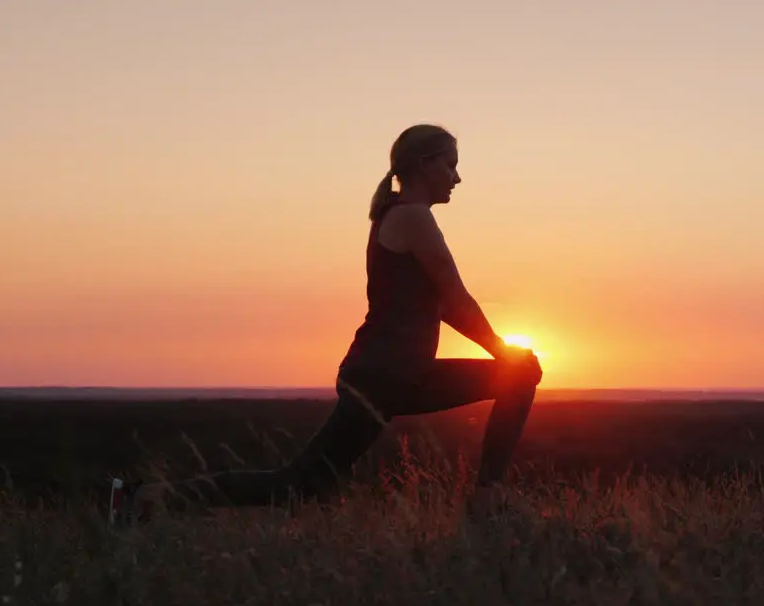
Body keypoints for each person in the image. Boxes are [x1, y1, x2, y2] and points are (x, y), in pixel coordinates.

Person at [131, 124, 543, 518]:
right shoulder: (414, 218)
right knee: (297, 483)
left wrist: (504, 355)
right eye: (450, 165)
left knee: (299, 484)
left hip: (390, 374)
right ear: (423, 164)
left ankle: (160, 499)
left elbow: (448, 309)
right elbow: (457, 298)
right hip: (386, 376)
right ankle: (488, 497)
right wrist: (503, 353)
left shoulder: (396, 216)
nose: (457, 178)